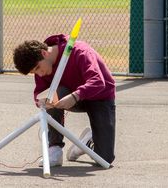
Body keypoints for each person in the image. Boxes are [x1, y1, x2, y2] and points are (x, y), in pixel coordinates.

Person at [13, 34, 115, 167]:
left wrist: (75, 96)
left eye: (38, 68)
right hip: (68, 96)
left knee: (104, 159)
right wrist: (40, 101)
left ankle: (86, 142)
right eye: (34, 72)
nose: (40, 74)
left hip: (100, 96)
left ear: (44, 53)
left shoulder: (81, 52)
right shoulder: (43, 68)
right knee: (52, 94)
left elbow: (98, 81)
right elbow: (39, 92)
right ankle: (54, 149)